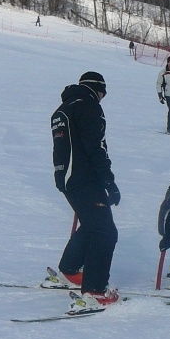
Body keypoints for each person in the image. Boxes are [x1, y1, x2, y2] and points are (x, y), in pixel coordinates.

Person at [51, 71, 121, 309]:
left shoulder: (63, 108)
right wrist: (109, 181)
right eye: (103, 93)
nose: (102, 98)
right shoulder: (89, 106)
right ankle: (94, 292)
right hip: (84, 178)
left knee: (92, 224)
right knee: (105, 232)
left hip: (67, 178)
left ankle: (69, 270)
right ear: (98, 89)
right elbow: (96, 147)